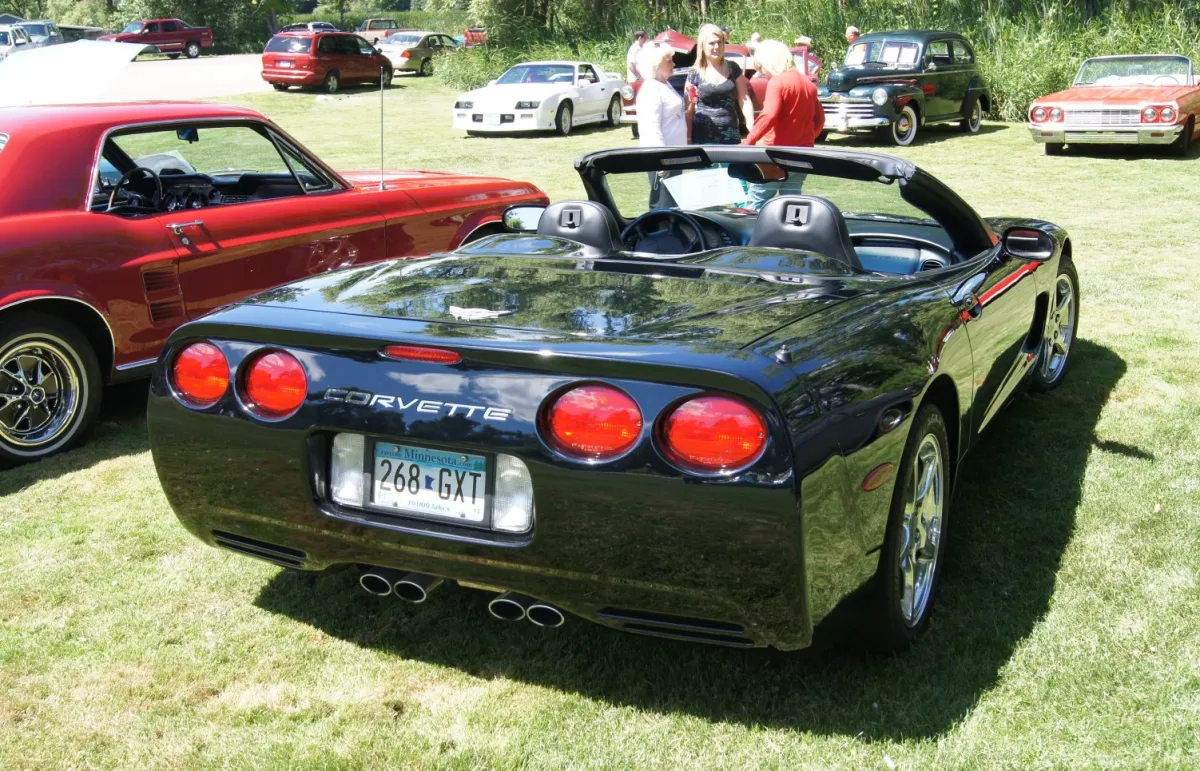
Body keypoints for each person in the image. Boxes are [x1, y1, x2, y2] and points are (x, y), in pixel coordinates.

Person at [741, 40, 826, 210]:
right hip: (803, 155)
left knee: (756, 204)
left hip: (776, 156)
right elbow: (820, 119)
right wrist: (806, 138)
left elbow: (769, 114)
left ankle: (752, 229)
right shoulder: (808, 84)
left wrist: (748, 141)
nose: (761, 72)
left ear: (770, 61)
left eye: (760, 67)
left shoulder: (777, 82)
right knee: (792, 206)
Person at [635, 42, 687, 208]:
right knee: (663, 205)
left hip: (673, 156)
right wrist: (660, 159)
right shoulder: (651, 89)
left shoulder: (664, 84)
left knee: (674, 205)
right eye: (669, 61)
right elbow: (651, 128)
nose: (674, 64)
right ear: (655, 65)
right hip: (663, 159)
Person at [685, 23, 755, 145]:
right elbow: (688, 112)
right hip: (703, 136)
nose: (716, 46)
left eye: (719, 42)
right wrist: (688, 139)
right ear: (702, 46)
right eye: (711, 43)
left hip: (730, 134)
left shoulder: (733, 68)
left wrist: (751, 124)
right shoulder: (694, 73)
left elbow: (744, 100)